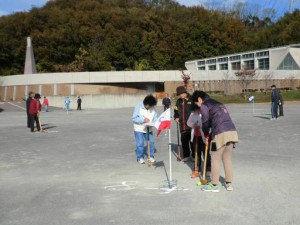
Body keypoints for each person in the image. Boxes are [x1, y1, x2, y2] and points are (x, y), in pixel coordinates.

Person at [192, 90, 239, 192]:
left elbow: (205, 121)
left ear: (199, 99)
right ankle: (229, 183)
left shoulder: (205, 105)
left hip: (220, 132)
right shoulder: (217, 103)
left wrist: (206, 134)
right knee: (227, 157)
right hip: (231, 130)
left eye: (197, 103)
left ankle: (214, 184)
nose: (198, 106)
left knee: (215, 157)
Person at [132, 94, 158, 164]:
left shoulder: (153, 108)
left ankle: (151, 156)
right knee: (140, 143)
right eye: (150, 106)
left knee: (151, 142)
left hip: (148, 128)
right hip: (139, 128)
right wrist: (143, 119)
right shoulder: (138, 106)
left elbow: (155, 118)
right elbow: (134, 118)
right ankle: (140, 157)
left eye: (152, 106)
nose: (151, 107)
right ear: (146, 104)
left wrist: (153, 122)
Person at [187, 104, 211, 176]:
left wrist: (200, 126)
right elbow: (188, 122)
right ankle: (197, 169)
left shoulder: (205, 114)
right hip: (195, 136)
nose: (198, 111)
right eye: (197, 109)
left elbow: (208, 124)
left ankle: (208, 169)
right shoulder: (192, 114)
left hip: (204, 136)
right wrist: (193, 125)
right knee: (197, 153)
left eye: (199, 109)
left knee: (206, 153)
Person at [174, 86, 193, 162]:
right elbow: (175, 111)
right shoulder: (178, 101)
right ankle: (186, 155)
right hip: (183, 125)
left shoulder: (191, 99)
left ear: (185, 92)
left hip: (192, 125)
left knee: (192, 142)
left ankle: (195, 156)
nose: (181, 95)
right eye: (179, 94)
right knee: (184, 141)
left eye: (182, 93)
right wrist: (176, 117)